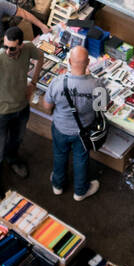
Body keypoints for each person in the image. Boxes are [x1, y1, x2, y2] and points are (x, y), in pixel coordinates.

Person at [0, 27, 43, 205]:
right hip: (0, 113)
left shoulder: (28, 48)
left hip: (21, 107)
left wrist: (33, 82)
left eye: (12, 48)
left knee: (17, 139)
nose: (7, 51)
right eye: (5, 46)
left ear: (21, 45)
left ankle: (13, 159)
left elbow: (40, 57)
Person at [39, 45, 105, 201]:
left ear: (69, 61)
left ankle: (58, 185)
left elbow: (47, 106)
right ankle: (80, 192)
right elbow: (101, 107)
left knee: (59, 154)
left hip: (60, 128)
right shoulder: (96, 85)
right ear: (88, 62)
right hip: (84, 131)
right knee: (81, 159)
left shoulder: (57, 82)